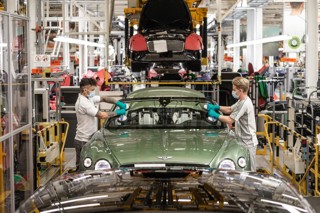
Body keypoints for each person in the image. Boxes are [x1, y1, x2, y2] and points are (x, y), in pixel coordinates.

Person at [207, 77, 258, 171]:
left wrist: (215, 115)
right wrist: (216, 107)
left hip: (248, 142)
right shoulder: (241, 100)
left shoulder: (245, 103)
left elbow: (230, 120)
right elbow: (230, 109)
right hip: (242, 140)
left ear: (240, 90)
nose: (233, 92)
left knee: (250, 170)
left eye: (234, 90)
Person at [74, 78, 126, 170]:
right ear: (85, 90)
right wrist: (118, 112)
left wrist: (117, 102)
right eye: (92, 90)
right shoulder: (83, 103)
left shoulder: (88, 97)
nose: (94, 92)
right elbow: (102, 115)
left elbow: (104, 98)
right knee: (82, 168)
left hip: (89, 138)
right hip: (83, 140)